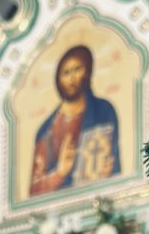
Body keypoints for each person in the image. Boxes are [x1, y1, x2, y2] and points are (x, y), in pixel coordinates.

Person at [29, 45, 120, 197]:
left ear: (87, 71)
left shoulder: (103, 111)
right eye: (66, 73)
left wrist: (109, 173)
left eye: (77, 69)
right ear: (58, 79)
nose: (71, 78)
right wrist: (60, 172)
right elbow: (35, 190)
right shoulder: (46, 129)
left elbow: (114, 160)